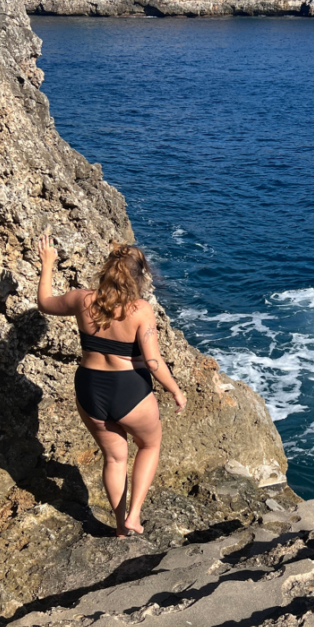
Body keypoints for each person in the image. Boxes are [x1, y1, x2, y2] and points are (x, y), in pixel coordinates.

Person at [36, 230, 186, 537]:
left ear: (106, 269)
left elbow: (44, 303)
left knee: (115, 457)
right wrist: (175, 390)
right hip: (128, 389)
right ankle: (134, 516)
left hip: (90, 388)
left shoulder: (82, 299)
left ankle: (120, 527)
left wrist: (48, 263)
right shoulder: (140, 309)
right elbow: (154, 363)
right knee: (149, 445)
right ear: (140, 276)